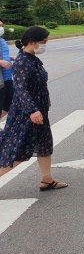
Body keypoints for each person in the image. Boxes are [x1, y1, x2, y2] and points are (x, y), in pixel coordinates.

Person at [0, 27, 68, 190]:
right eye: (43, 42)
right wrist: (32, 111)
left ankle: (47, 179)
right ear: (32, 42)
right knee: (19, 150)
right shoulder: (23, 61)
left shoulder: (31, 58)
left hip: (39, 111)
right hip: (27, 114)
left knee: (44, 144)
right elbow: (21, 90)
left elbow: (39, 83)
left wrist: (47, 99)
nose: (45, 45)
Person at [0, 19, 15, 117]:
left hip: (8, 78)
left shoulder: (2, 40)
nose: (1, 28)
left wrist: (11, 58)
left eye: (2, 26)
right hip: (0, 81)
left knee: (8, 105)